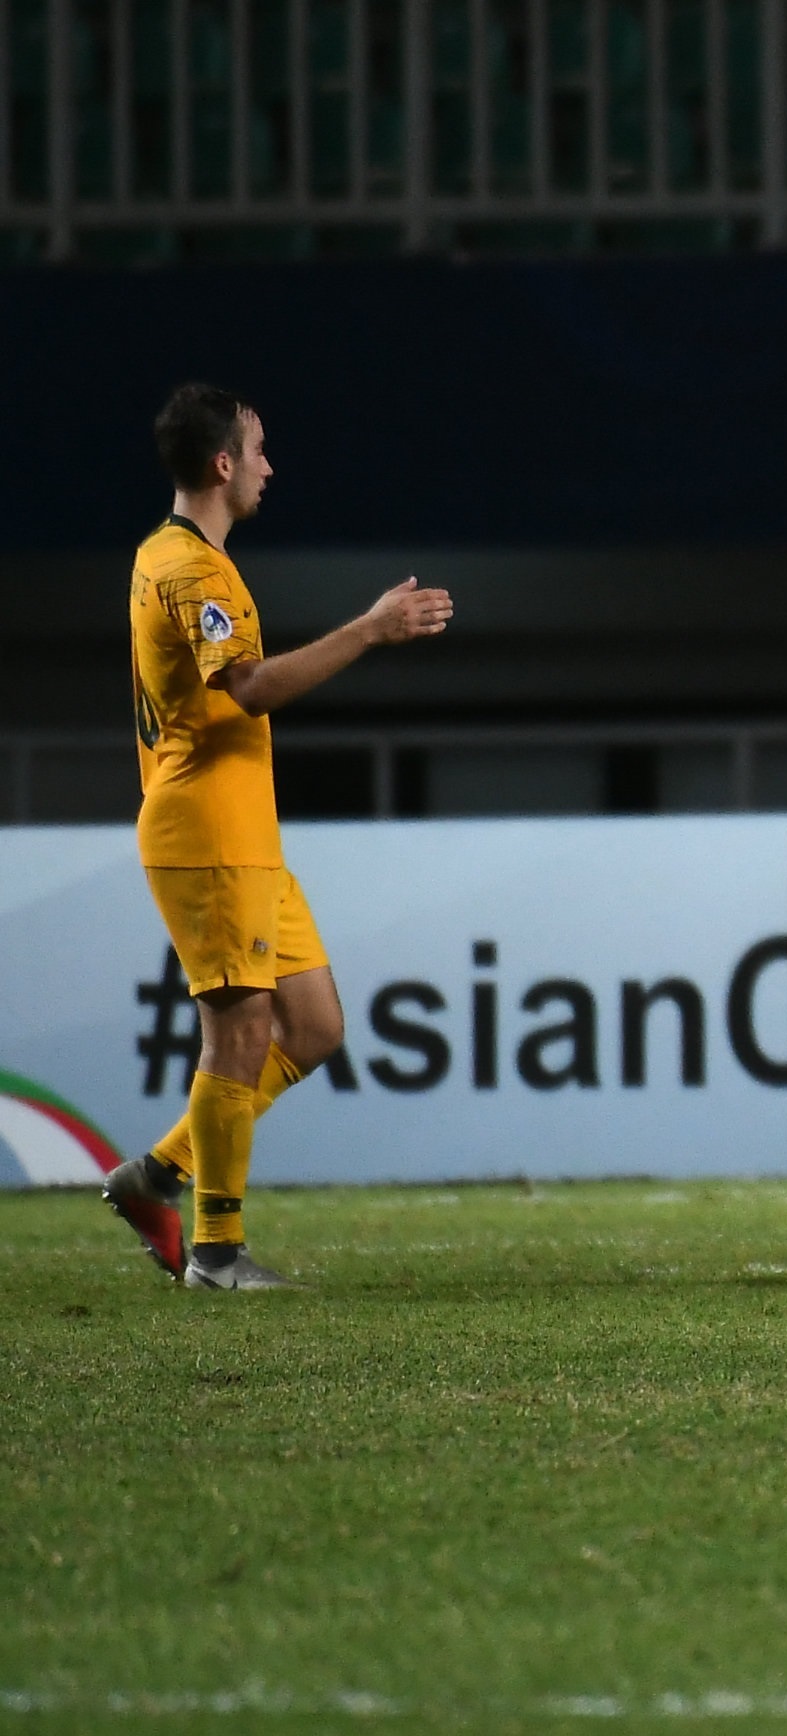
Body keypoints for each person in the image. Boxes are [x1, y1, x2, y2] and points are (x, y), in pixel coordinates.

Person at [99, 384, 453, 1289]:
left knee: (315, 1026)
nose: (268, 466)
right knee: (239, 1035)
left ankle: (160, 1174)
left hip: (244, 833)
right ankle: (217, 1251)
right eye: (257, 450)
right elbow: (249, 688)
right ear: (222, 464)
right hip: (207, 832)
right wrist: (369, 630)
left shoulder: (170, 555)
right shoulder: (193, 572)